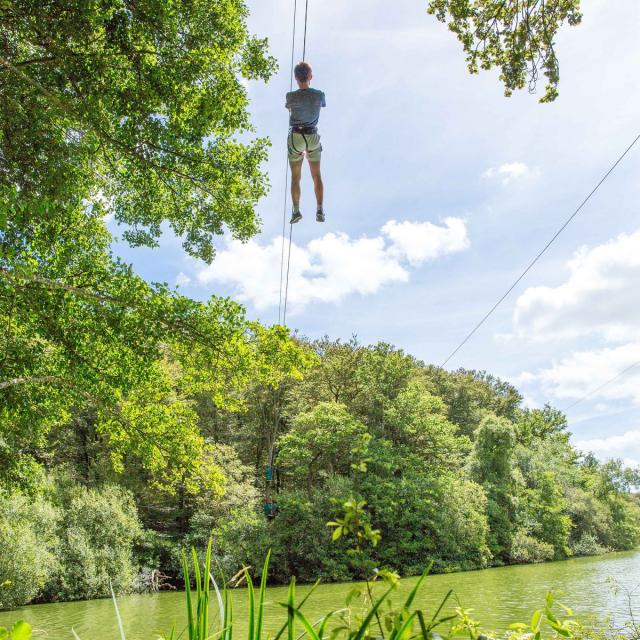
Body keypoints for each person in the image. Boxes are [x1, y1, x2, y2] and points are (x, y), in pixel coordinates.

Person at [286, 61, 326, 224]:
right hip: (312, 137)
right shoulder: (319, 95)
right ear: (311, 76)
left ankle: (296, 211)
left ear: (295, 78)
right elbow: (321, 106)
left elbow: (289, 108)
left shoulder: (290, 96)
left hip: (296, 137)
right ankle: (320, 210)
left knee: (296, 177)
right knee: (316, 175)